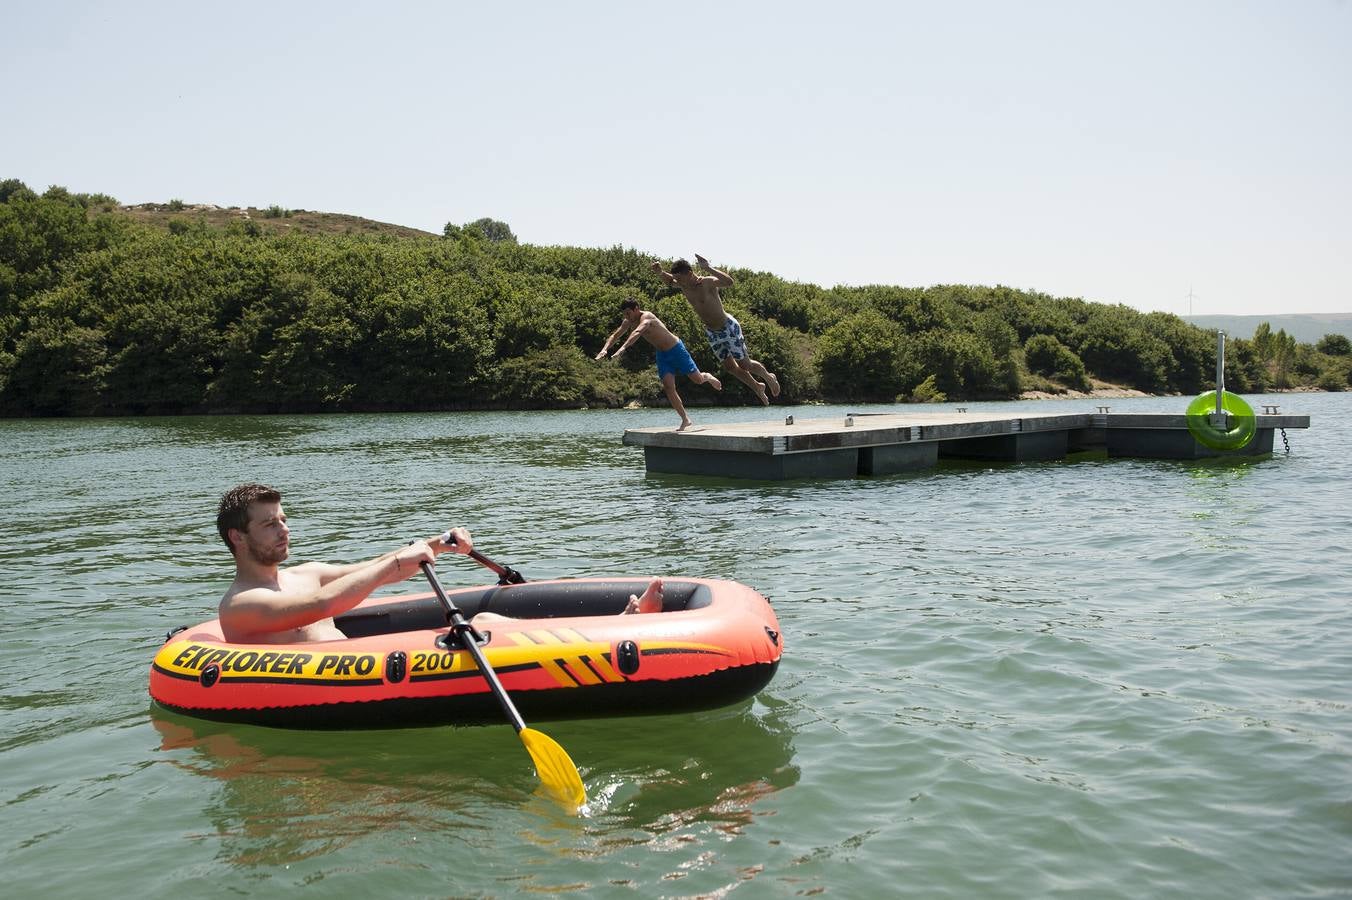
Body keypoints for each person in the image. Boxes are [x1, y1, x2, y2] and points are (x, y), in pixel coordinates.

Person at [216, 483, 666, 644]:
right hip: (338, 684)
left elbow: (365, 568)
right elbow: (322, 605)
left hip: (359, 665)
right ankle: (619, 627)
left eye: (284, 520)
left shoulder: (303, 571)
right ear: (239, 537)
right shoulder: (241, 604)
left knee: (487, 618)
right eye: (269, 525)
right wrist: (397, 562)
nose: (284, 530)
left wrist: (435, 545)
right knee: (486, 622)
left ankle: (618, 622)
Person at [650, 253, 780, 404]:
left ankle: (768, 376)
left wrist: (708, 268)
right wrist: (659, 272)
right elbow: (669, 281)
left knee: (745, 365)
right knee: (730, 367)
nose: (677, 281)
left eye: (679, 278)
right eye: (676, 279)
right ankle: (757, 387)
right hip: (712, 332)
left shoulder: (706, 283)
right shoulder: (683, 285)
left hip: (728, 327)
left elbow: (729, 282)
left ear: (689, 273)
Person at [595, 297, 722, 431]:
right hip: (662, 355)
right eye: (624, 314)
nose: (627, 316)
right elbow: (615, 336)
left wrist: (623, 348)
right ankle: (685, 419)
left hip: (676, 349)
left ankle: (707, 376)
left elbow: (637, 332)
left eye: (629, 313)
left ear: (636, 309)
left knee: (698, 380)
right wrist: (604, 349)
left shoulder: (647, 317)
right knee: (668, 387)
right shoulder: (628, 321)